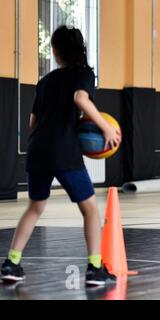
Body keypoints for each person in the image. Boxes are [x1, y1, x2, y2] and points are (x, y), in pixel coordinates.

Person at [0, 26, 121, 286]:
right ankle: (95, 268)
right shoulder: (84, 74)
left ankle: (11, 263)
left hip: (37, 149)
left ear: (54, 52)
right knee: (90, 210)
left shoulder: (46, 81)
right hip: (63, 150)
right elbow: (80, 98)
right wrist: (105, 126)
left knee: (35, 207)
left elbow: (32, 121)